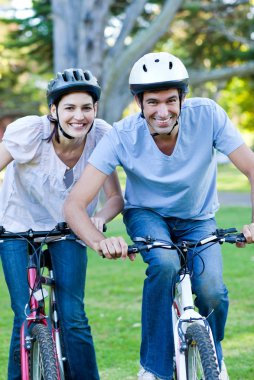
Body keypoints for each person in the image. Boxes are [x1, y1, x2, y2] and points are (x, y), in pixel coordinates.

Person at [63, 53, 254, 380]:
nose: (162, 111)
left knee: (211, 289)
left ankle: (212, 351)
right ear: (138, 101)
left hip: (197, 217)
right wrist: (100, 242)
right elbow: (74, 204)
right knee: (164, 263)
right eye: (152, 102)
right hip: (146, 215)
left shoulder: (208, 116)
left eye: (170, 100)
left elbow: (250, 167)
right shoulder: (122, 135)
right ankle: (153, 368)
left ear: (183, 98)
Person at [0, 68, 124, 380]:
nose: (78, 116)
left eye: (86, 108)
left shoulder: (103, 138)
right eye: (69, 108)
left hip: (68, 230)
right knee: (26, 314)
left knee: (74, 316)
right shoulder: (30, 132)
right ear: (54, 111)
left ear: (95, 110)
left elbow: (114, 198)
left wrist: (100, 218)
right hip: (17, 227)